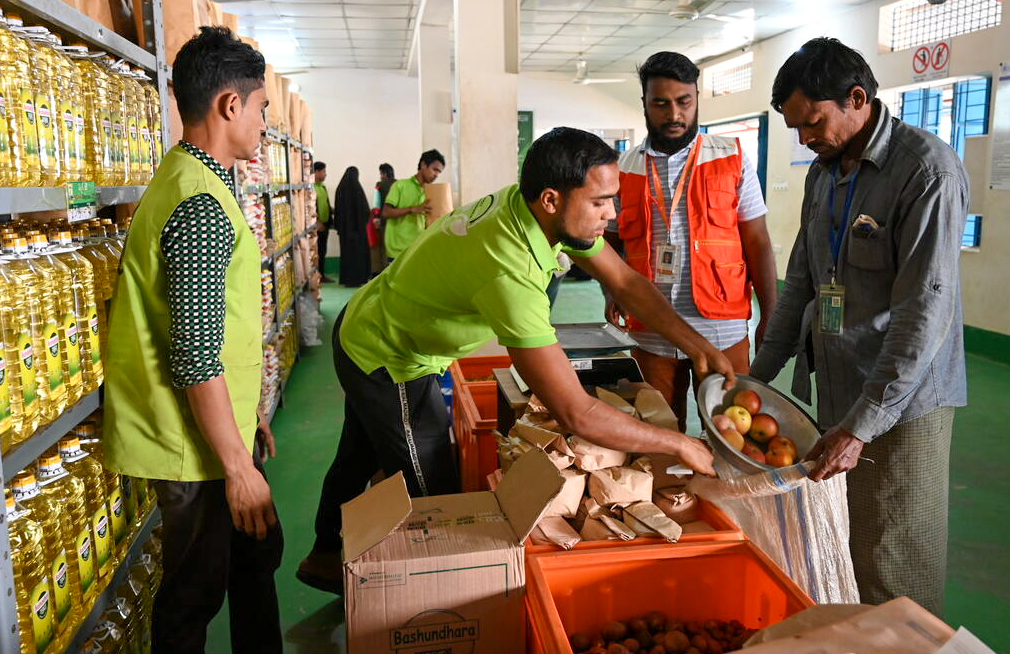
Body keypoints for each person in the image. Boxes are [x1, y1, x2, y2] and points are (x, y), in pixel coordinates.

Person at [297, 127, 737, 593]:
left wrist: (697, 344)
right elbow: (575, 411)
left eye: (613, 199)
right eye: (600, 202)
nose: (611, 214)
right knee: (437, 496)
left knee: (358, 453)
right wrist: (677, 443)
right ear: (551, 199)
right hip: (389, 356)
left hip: (366, 320)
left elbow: (626, 283)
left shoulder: (535, 209)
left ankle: (325, 555)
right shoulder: (510, 268)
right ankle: (437, 608)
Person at [102, 27, 330, 654]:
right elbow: (197, 355)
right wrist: (236, 467)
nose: (265, 121)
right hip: (191, 447)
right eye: (262, 107)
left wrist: (251, 413)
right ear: (230, 105)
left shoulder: (192, 180)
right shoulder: (198, 204)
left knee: (256, 556)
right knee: (193, 598)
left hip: (216, 432)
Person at [749, 37, 969, 617]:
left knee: (894, 555)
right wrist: (758, 376)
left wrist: (861, 426)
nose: (804, 139)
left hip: (904, 399)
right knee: (844, 540)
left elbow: (925, 310)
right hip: (842, 382)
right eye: (795, 127)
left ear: (856, 98)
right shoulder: (825, 172)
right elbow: (802, 281)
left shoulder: (925, 172)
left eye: (813, 122)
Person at [604, 51, 777, 432]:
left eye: (684, 102)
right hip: (650, 328)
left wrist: (771, 311)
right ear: (645, 104)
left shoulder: (732, 158)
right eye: (661, 103)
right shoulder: (623, 169)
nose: (674, 114)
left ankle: (717, 496)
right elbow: (611, 241)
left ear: (697, 98)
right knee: (657, 432)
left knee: (731, 433)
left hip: (721, 328)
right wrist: (610, 290)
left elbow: (758, 241)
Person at [381, 149, 445, 261]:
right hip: (398, 250)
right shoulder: (400, 185)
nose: (436, 175)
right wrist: (411, 209)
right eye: (434, 169)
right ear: (423, 164)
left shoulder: (432, 192)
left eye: (439, 172)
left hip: (418, 247)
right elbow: (386, 212)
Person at [333, 166, 372, 287]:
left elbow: (337, 211)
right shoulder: (357, 189)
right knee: (359, 255)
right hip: (358, 231)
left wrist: (340, 227)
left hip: (345, 232)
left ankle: (348, 279)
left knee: (347, 255)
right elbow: (365, 210)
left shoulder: (340, 189)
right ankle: (359, 278)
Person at [369, 162, 395, 272]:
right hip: (398, 220)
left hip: (384, 221)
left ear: (384, 174)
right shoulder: (399, 184)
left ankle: (385, 272)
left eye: (381, 173)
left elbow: (376, 204)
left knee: (384, 248)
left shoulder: (379, 184)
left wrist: (376, 218)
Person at [311, 161, 333, 283]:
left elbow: (326, 205)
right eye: (324, 171)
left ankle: (322, 275)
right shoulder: (311, 187)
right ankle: (317, 276)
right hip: (316, 226)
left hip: (325, 225)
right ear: (317, 172)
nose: (325, 174)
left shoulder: (322, 188)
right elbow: (310, 207)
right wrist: (316, 222)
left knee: (323, 251)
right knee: (316, 252)